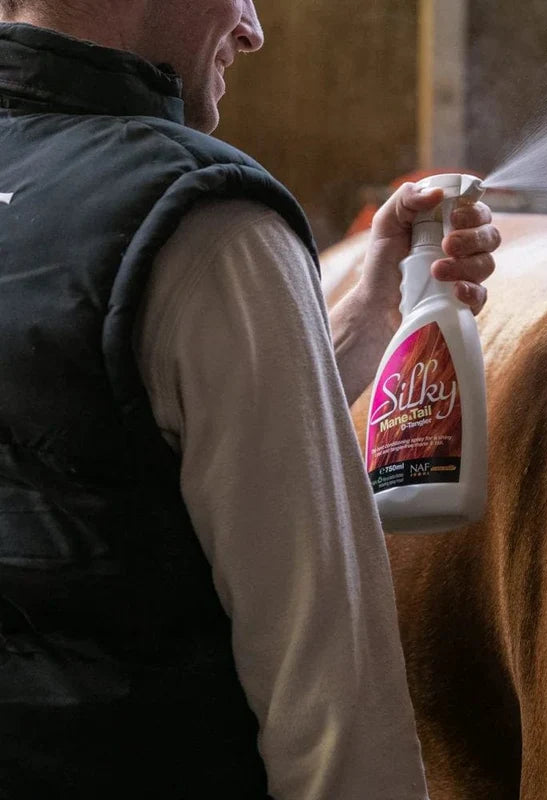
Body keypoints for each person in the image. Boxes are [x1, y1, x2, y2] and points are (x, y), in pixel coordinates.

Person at [0, 1, 500, 798]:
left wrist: (355, 328)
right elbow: (339, 724)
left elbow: (85, 449)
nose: (253, 29)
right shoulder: (210, 227)